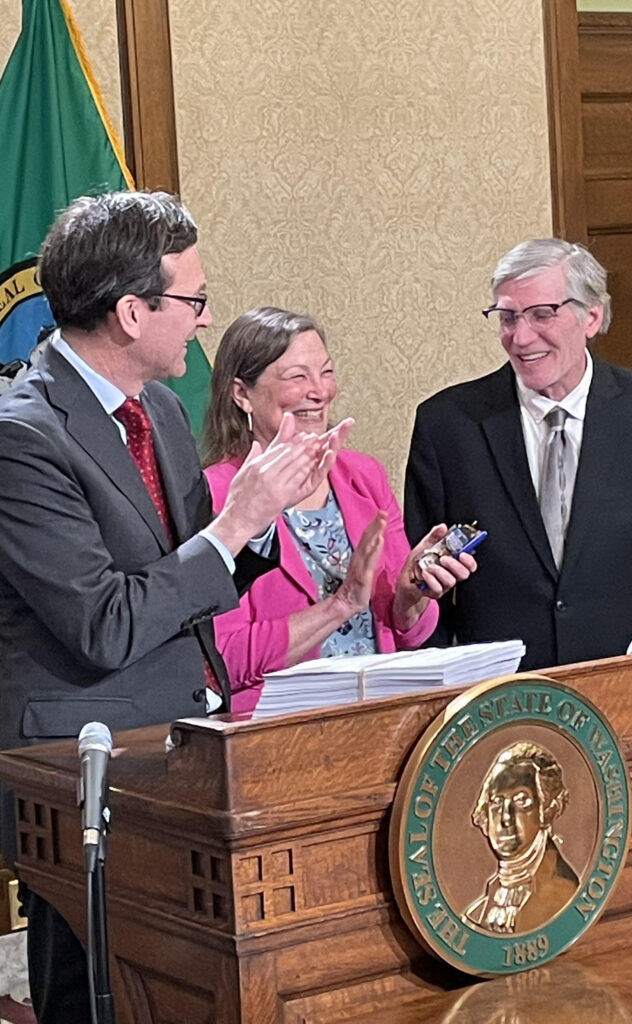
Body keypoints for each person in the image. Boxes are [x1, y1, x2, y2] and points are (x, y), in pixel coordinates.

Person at [0, 191, 346, 1024]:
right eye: (192, 299)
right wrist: (236, 523)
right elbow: (104, 621)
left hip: (184, 746)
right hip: (83, 775)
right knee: (94, 1000)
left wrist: (264, 516)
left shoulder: (157, 407)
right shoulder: (22, 434)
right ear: (129, 311)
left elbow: (189, 566)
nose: (205, 320)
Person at [405, 238, 632, 671]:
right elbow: (425, 589)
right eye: (507, 317)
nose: (520, 337)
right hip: (500, 702)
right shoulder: (447, 426)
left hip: (629, 690)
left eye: (542, 315)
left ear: (591, 316)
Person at [202, 306, 477, 709]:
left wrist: (411, 593)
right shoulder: (215, 496)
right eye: (298, 376)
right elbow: (225, 657)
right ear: (242, 393)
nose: (320, 391)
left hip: (381, 716)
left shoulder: (364, 476)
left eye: (326, 372)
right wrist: (338, 606)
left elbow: (408, 633)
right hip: (277, 731)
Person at [463, 741, 579, 933]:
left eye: (521, 800)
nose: (505, 817)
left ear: (546, 809)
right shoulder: (477, 913)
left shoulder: (564, 893)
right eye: (496, 802)